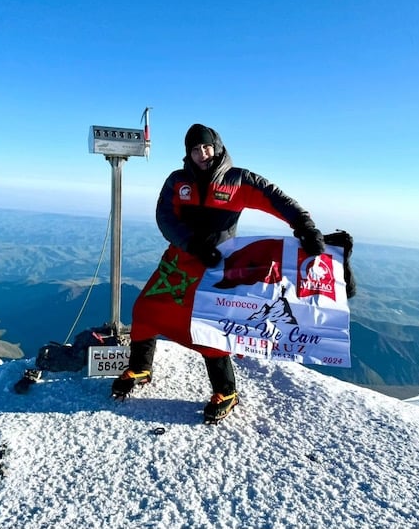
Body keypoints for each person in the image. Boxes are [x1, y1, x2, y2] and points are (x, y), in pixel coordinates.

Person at [111, 123, 354, 423]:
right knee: (146, 308)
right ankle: (140, 368)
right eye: (195, 149)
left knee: (208, 327)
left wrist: (303, 225)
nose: (202, 153)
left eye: (207, 147)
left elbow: (277, 199)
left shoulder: (237, 180)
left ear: (218, 146)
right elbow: (164, 217)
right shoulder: (177, 181)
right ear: (187, 153)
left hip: (216, 268)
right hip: (178, 261)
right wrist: (191, 243)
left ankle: (226, 392)